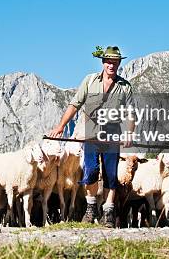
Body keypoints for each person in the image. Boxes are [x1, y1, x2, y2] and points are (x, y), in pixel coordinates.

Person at [48, 46, 136, 227]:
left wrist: (129, 132)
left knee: (111, 175)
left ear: (119, 63)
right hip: (91, 136)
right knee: (91, 171)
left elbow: (131, 113)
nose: (111, 65)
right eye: (108, 61)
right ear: (103, 63)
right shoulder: (89, 81)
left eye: (115, 62)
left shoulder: (125, 87)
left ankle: (109, 212)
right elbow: (75, 105)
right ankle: (91, 208)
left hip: (112, 136)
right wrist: (61, 126)